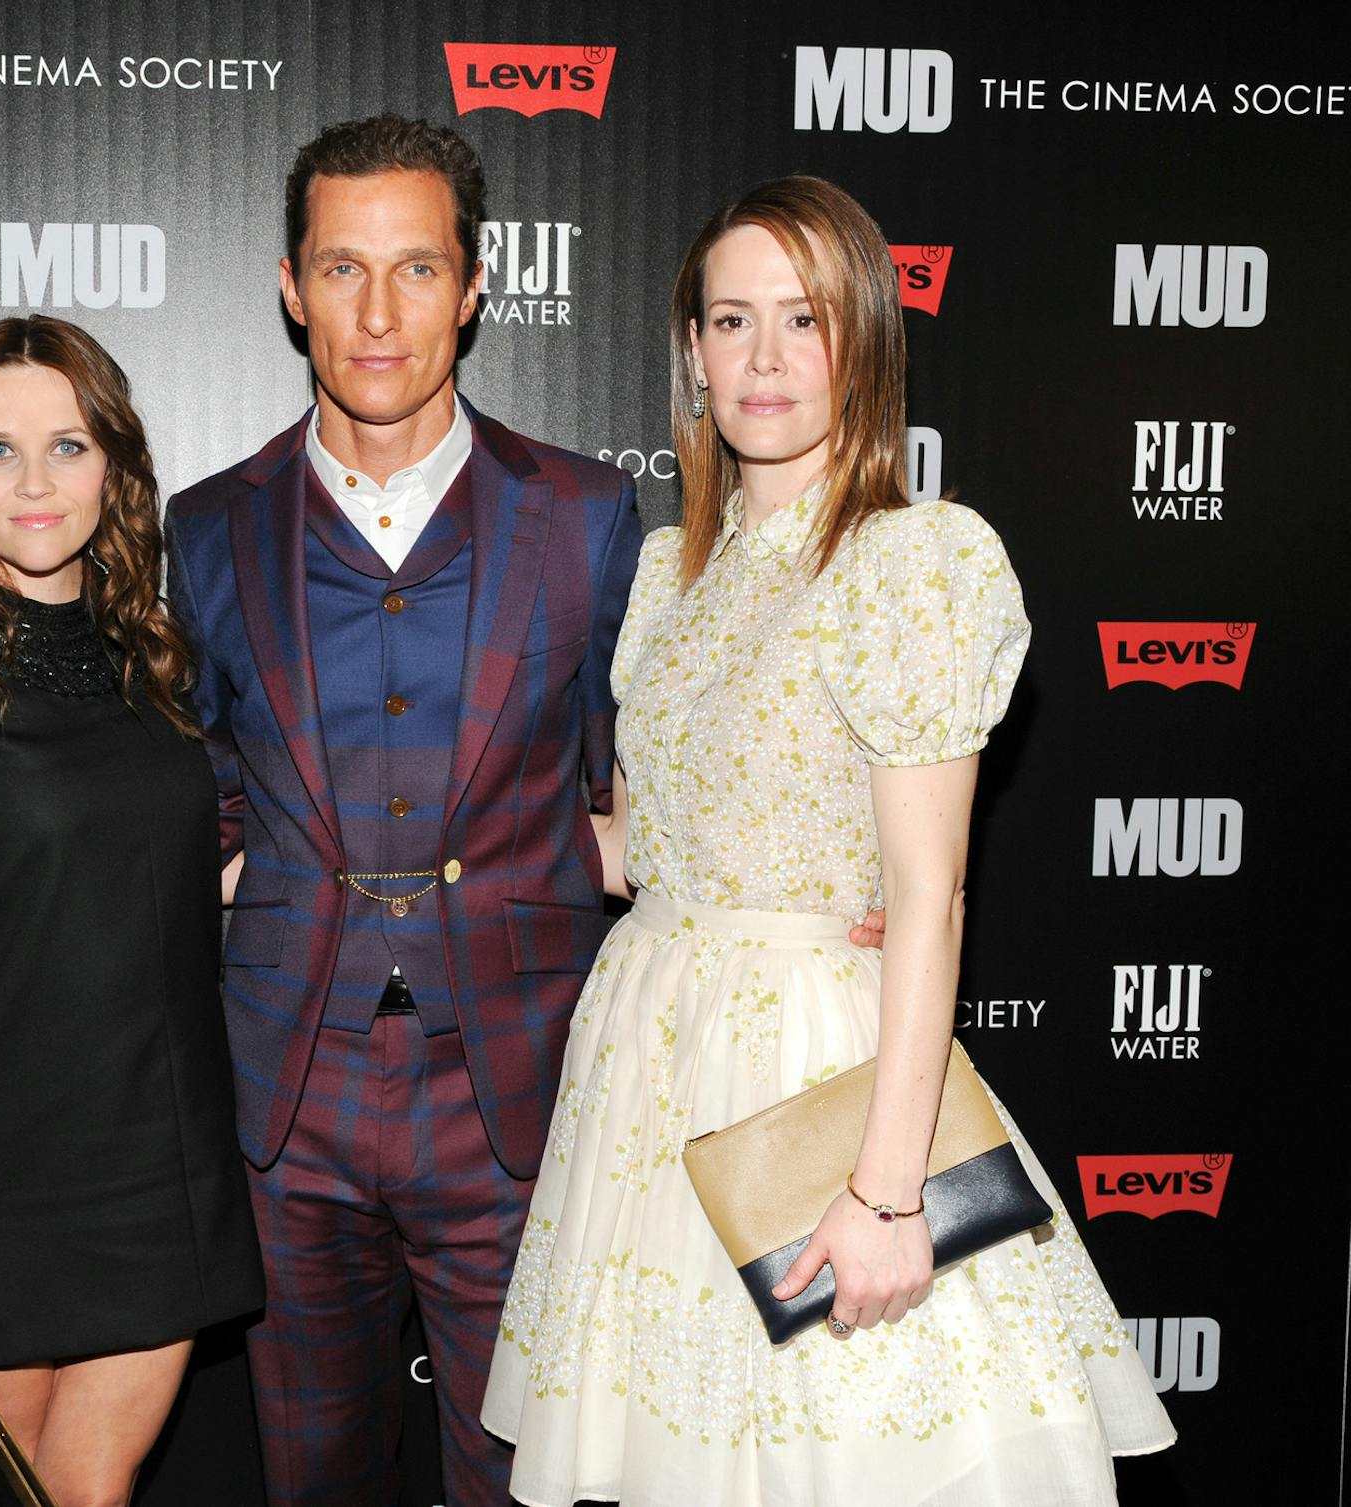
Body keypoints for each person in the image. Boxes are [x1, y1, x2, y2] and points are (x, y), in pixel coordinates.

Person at [480, 175, 1177, 1505]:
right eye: (731, 321)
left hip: (817, 1080)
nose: (763, 359)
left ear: (863, 338)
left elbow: (930, 897)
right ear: (690, 346)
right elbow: (651, 848)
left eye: (803, 320)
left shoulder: (909, 561)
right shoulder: (675, 566)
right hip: (650, 1071)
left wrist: (892, 1190)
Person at [162, 113, 646, 1506]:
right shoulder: (207, 528)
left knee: (521, 1478)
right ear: (289, 284)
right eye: (342, 268)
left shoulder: (588, 515)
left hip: (515, 1088)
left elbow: (638, 774)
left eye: (417, 268)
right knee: (308, 1469)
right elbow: (188, 782)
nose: (378, 312)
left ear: (475, 286)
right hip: (284, 1094)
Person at [0, 315, 264, 1507]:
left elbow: (168, 881)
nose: (35, 483)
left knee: (93, 1487)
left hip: (157, 1168)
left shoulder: (155, 663)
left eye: (69, 447)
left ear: (114, 466)